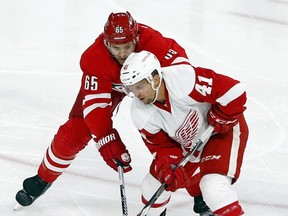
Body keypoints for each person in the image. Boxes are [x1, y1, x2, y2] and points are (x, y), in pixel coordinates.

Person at [15, 11, 212, 216]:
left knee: (181, 130)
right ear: (106, 42)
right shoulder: (94, 57)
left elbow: (184, 79)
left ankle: (198, 192)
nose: (122, 53)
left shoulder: (157, 45)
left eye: (127, 46)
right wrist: (107, 140)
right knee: (76, 130)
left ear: (136, 38)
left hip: (150, 86)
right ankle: (42, 179)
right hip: (113, 86)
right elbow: (95, 107)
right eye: (116, 48)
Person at [120, 50, 249, 216]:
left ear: (155, 79)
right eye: (131, 89)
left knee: (213, 188)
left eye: (139, 86)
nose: (136, 94)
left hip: (221, 134)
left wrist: (223, 116)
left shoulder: (183, 79)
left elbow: (235, 91)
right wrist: (168, 167)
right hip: (191, 147)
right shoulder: (140, 113)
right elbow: (162, 148)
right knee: (151, 188)